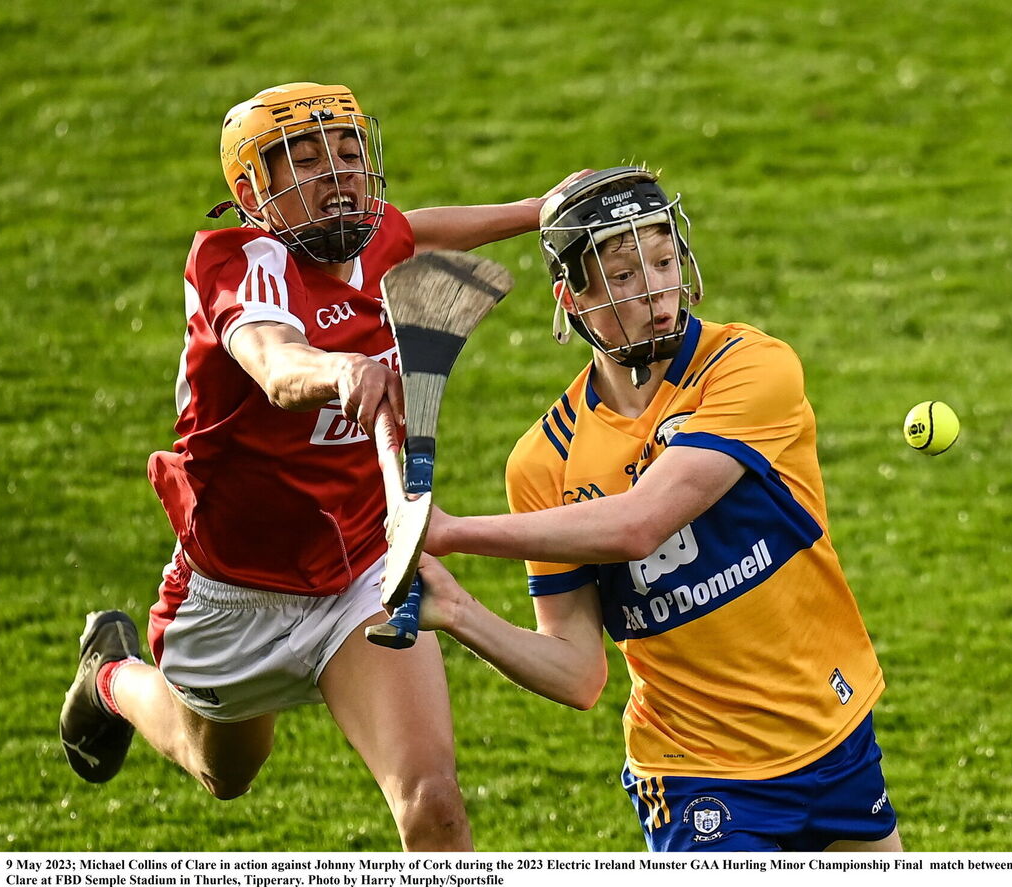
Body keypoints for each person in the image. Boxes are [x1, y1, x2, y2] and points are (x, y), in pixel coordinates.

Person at [58, 81, 586, 851]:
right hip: (236, 591)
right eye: (305, 162)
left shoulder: (365, 237)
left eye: (346, 153)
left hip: (362, 571)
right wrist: (339, 372)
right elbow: (274, 360)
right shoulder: (238, 259)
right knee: (222, 771)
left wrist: (536, 209)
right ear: (252, 192)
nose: (338, 175)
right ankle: (109, 673)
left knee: (434, 804)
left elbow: (417, 233)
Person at [416, 166, 903, 852]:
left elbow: (641, 521)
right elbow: (579, 671)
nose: (655, 291)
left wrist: (450, 532)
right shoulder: (544, 462)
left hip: (838, 734)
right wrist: (459, 613)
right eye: (621, 274)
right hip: (696, 777)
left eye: (664, 259)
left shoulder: (749, 366)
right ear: (571, 297)